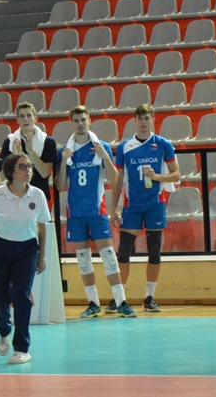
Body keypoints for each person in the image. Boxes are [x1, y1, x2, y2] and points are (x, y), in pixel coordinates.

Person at [57, 106, 134, 318]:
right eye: (76, 121)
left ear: (89, 121)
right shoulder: (66, 150)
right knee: (83, 259)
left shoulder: (101, 146)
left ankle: (121, 302)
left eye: (83, 120)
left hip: (96, 210)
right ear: (71, 124)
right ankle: (93, 303)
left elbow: (114, 180)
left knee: (108, 256)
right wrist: (63, 162)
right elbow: (60, 185)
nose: (80, 124)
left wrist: (105, 157)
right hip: (75, 213)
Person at [0, 153, 50, 365]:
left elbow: (42, 227)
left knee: (21, 296)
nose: (28, 171)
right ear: (11, 171)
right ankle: (4, 329)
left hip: (27, 251)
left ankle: (21, 348)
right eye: (22, 167)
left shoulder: (38, 195)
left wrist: (41, 256)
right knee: (0, 296)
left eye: (30, 166)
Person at [110, 104, 180, 313]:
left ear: (152, 120)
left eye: (147, 118)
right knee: (124, 250)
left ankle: (149, 297)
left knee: (154, 249)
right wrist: (114, 208)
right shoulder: (125, 147)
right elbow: (119, 179)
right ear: (135, 121)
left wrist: (156, 176)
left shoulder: (163, 144)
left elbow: (176, 174)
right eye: (140, 118)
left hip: (155, 204)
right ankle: (119, 297)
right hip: (132, 205)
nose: (143, 122)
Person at [0, 102, 58, 208]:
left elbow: (44, 173)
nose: (25, 119)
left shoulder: (48, 142)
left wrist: (30, 151)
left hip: (40, 195)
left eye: (29, 115)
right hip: (15, 196)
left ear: (35, 118)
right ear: (17, 120)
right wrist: (17, 157)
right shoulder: (9, 142)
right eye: (22, 116)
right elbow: (7, 174)